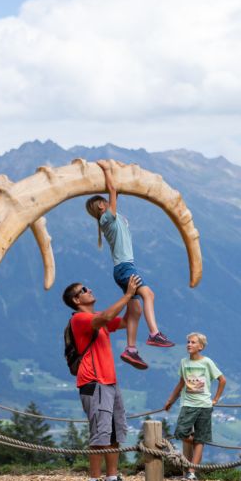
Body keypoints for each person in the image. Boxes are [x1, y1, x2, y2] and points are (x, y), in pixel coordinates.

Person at [84, 159, 174, 371]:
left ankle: (130, 349)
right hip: (125, 267)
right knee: (148, 294)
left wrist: (117, 172)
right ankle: (154, 334)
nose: (110, 201)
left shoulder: (110, 219)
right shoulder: (106, 219)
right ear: (101, 205)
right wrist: (106, 170)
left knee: (134, 311)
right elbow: (113, 190)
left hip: (123, 268)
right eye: (106, 201)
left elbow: (117, 191)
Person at [63, 275, 143, 481]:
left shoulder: (100, 318)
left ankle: (112, 477)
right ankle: (93, 480)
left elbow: (129, 320)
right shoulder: (79, 319)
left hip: (109, 382)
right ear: (77, 301)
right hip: (93, 381)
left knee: (115, 431)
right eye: (84, 289)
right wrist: (127, 294)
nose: (89, 290)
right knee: (100, 432)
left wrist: (136, 294)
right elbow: (108, 315)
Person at [163, 332, 226, 481]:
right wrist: (170, 401)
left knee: (199, 440)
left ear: (201, 347)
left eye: (193, 342)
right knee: (181, 433)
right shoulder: (184, 362)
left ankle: (192, 472)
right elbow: (181, 383)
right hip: (188, 404)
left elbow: (222, 380)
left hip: (204, 405)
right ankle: (199, 441)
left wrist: (215, 399)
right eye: (188, 342)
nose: (189, 344)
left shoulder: (207, 362)